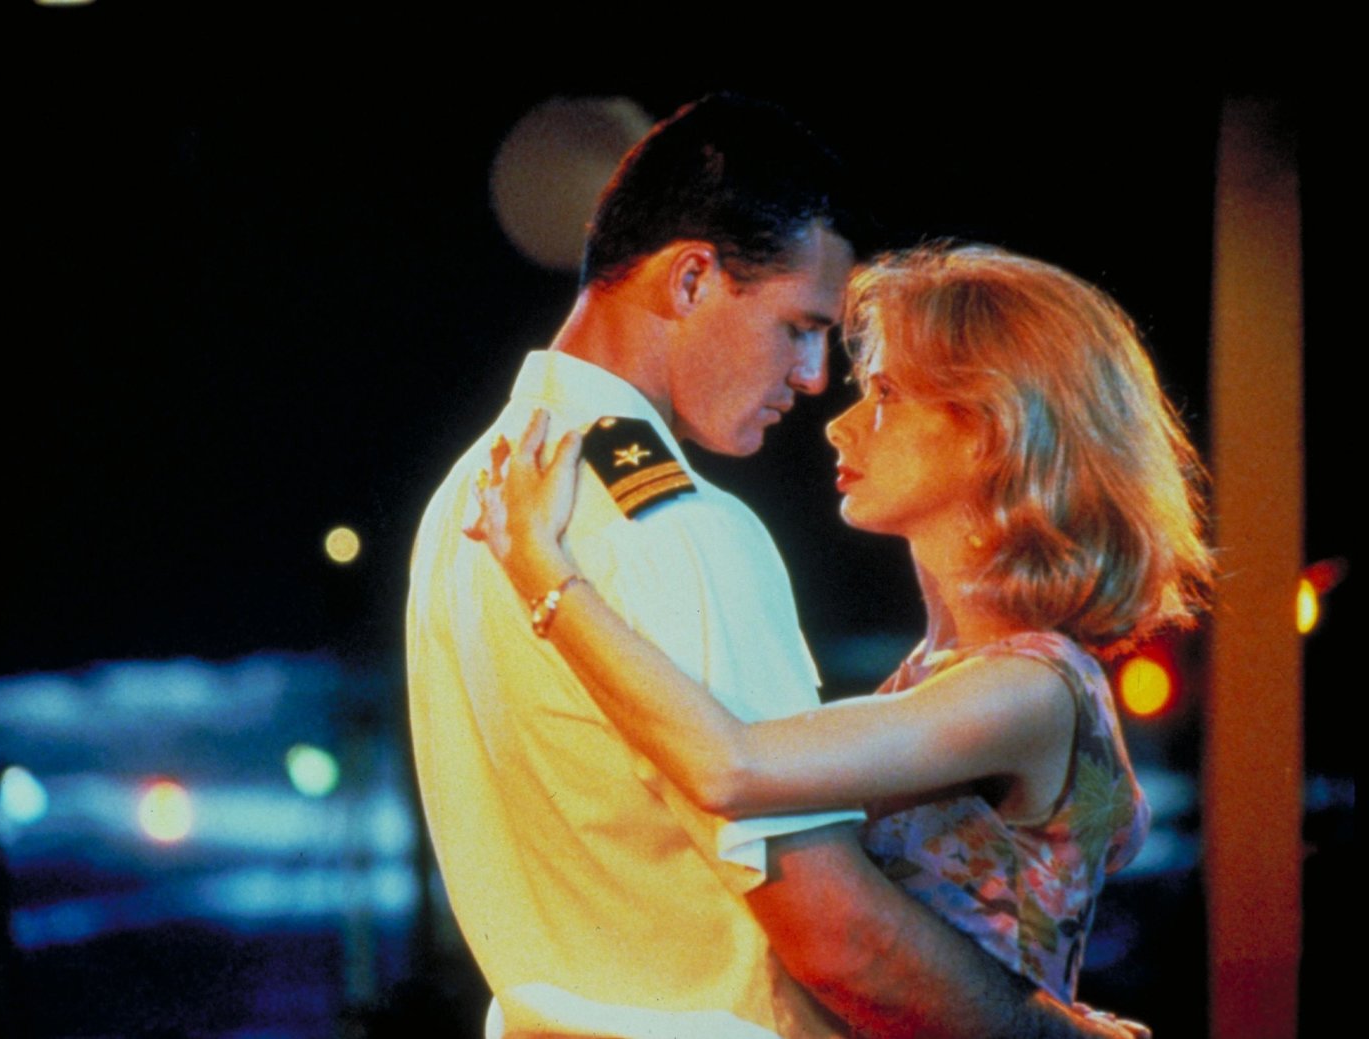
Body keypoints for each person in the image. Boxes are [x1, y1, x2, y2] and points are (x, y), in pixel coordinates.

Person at [410, 89, 1149, 1039]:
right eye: (800, 325)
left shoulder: (471, 499)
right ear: (690, 280)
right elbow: (843, 940)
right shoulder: (680, 527)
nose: (814, 383)